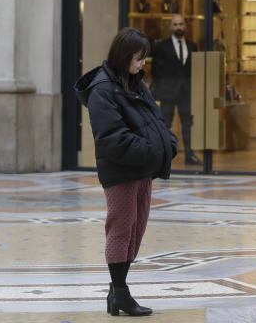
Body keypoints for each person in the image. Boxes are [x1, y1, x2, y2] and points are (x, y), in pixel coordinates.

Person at [74, 27, 177, 317]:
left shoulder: (134, 82)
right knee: (120, 229)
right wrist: (154, 151)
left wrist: (168, 143)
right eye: (138, 58)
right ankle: (121, 293)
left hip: (143, 169)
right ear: (123, 56)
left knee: (136, 230)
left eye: (144, 59)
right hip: (121, 172)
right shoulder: (102, 89)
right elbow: (111, 139)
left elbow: (155, 119)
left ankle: (116, 291)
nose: (142, 64)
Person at [151, 14, 200, 165]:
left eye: (181, 24)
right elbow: (156, 71)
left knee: (188, 124)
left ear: (185, 26)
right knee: (166, 124)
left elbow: (195, 70)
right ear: (171, 27)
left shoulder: (193, 46)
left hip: (186, 92)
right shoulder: (161, 46)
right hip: (168, 93)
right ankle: (164, 156)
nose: (179, 27)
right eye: (176, 24)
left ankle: (190, 155)